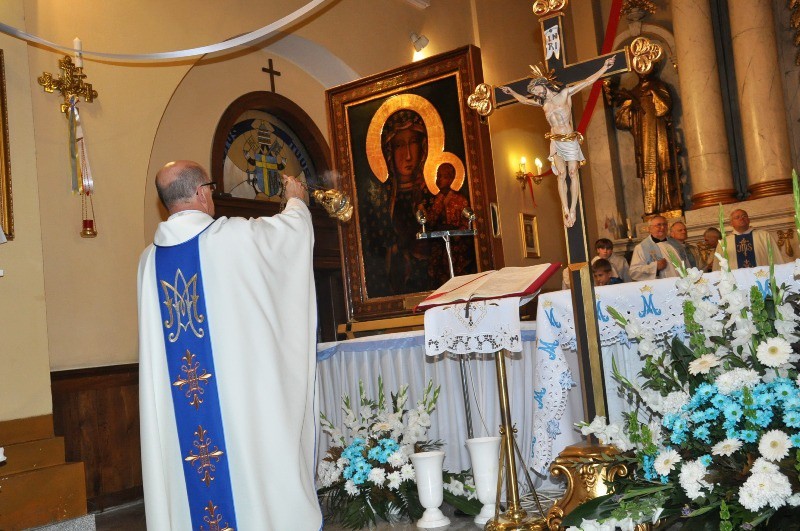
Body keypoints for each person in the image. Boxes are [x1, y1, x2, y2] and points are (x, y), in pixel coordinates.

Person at [137, 161, 321, 530]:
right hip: (238, 404)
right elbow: (289, 237)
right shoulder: (233, 237)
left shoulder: (148, 261)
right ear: (202, 193)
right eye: (210, 188)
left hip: (181, 413)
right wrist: (296, 201)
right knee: (247, 475)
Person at [500, 56, 616, 227]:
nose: (537, 94)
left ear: (544, 84)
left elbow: (587, 82)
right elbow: (524, 100)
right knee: (561, 175)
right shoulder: (543, 104)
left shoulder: (564, 94)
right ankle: (565, 209)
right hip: (555, 140)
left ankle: (573, 208)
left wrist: (604, 67)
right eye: (535, 93)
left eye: (537, 90)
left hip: (569, 139)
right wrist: (511, 92)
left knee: (572, 172)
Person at [363, 109, 434, 296]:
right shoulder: (379, 199)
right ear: (389, 151)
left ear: (423, 145)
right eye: (399, 145)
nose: (408, 155)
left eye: (414, 143)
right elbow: (374, 251)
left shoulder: (433, 195)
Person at [607, 70, 682, 216]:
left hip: (660, 136)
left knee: (665, 169)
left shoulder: (659, 86)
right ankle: (652, 209)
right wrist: (630, 106)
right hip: (644, 142)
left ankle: (669, 204)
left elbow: (664, 109)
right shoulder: (633, 92)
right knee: (648, 172)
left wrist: (652, 94)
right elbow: (622, 122)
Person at [427, 162, 475, 286]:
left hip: (455, 245)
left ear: (450, 179)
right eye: (437, 176)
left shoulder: (460, 200)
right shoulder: (435, 199)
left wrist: (456, 235)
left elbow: (466, 223)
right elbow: (430, 221)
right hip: (439, 243)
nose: (439, 180)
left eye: (442, 176)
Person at [712, 209, 786, 270]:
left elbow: (776, 258)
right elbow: (718, 267)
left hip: (762, 278)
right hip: (736, 281)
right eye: (737, 217)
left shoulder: (764, 236)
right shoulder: (724, 242)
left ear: (749, 220)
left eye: (744, 216)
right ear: (731, 223)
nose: (741, 218)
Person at [630, 215, 688, 280]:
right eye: (658, 225)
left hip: (683, 282)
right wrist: (655, 267)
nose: (662, 227)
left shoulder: (676, 243)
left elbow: (686, 264)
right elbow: (634, 272)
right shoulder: (641, 248)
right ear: (650, 229)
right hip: (661, 285)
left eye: (665, 224)